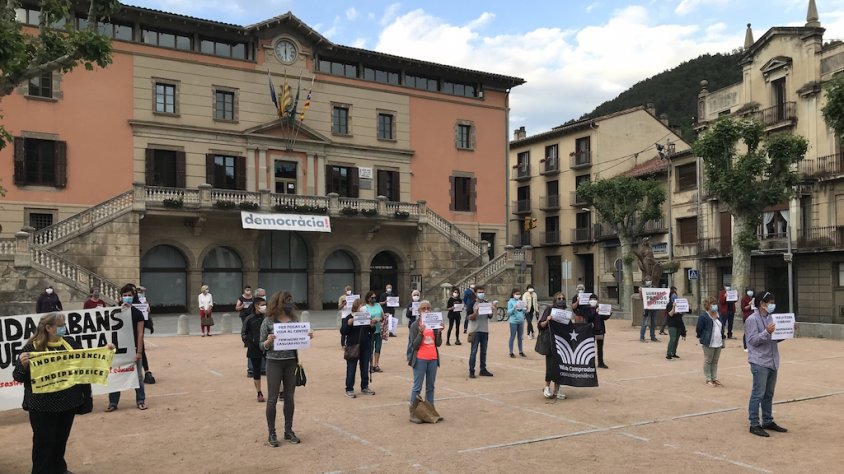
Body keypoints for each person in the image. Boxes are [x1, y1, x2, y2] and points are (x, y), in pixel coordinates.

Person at [13, 313, 93, 474]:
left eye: (64, 324)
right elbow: (18, 376)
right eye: (60, 325)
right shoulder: (32, 347)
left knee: (60, 441)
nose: (64, 328)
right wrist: (23, 365)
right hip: (42, 406)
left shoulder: (70, 344)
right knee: (43, 443)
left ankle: (59, 469)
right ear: (48, 328)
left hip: (68, 403)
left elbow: (85, 366)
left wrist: (107, 350)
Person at [260, 291, 312, 447]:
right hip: (274, 362)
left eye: (291, 300)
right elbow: (260, 345)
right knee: (272, 398)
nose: (289, 303)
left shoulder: (294, 319)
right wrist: (268, 341)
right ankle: (272, 432)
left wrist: (306, 336)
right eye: (286, 300)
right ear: (279, 302)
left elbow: (299, 337)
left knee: (289, 397)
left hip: (290, 362)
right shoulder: (268, 321)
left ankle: (288, 430)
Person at [745, 290, 788, 437]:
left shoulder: (771, 318)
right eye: (770, 302)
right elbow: (752, 341)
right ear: (762, 304)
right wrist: (766, 332)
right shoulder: (752, 319)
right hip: (759, 361)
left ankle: (768, 420)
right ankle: (754, 423)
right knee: (758, 393)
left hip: (772, 360)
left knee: (769, 393)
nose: (772, 305)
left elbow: (774, 339)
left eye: (773, 302)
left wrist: (786, 332)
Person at [107, 284, 147, 411]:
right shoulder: (115, 312)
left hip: (134, 349)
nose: (127, 298)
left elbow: (140, 333)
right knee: (115, 374)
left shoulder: (138, 313)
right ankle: (113, 402)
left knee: (138, 376)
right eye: (125, 296)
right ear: (121, 297)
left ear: (133, 296)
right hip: (118, 350)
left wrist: (139, 352)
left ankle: (140, 400)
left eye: (129, 295)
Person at [408, 299, 443, 423]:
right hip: (420, 358)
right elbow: (414, 345)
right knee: (417, 387)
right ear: (419, 311)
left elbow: (438, 344)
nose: (426, 310)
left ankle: (430, 411)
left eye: (428, 308)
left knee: (430, 387)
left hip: (432, 357)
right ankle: (412, 413)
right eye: (424, 309)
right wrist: (421, 333)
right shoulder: (414, 325)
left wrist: (438, 333)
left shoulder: (434, 324)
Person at [340, 298, 377, 398]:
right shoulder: (349, 317)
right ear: (356, 307)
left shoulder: (366, 317)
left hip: (365, 346)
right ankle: (349, 388)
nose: (363, 308)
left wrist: (372, 325)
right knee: (351, 367)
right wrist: (349, 324)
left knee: (365, 367)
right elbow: (343, 331)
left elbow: (372, 330)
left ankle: (364, 386)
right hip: (353, 346)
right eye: (361, 306)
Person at [538, 292, 568, 399]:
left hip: (561, 344)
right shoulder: (549, 309)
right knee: (550, 365)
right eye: (559, 298)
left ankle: (557, 389)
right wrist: (548, 319)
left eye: (563, 298)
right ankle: (547, 387)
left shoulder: (565, 312)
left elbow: (569, 328)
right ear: (555, 300)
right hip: (550, 342)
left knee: (559, 366)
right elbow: (541, 325)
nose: (561, 300)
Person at [696, 295, 725, 387]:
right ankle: (708, 378)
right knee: (708, 360)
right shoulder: (703, 316)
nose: (715, 306)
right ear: (707, 305)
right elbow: (699, 329)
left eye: (716, 304)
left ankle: (714, 378)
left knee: (715, 361)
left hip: (718, 342)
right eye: (713, 304)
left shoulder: (719, 315)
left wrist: (723, 339)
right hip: (708, 342)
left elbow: (722, 328)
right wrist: (703, 337)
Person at [242, 296, 267, 402]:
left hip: (268, 347)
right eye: (262, 305)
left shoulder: (267, 318)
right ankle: (259, 392)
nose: (265, 307)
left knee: (272, 369)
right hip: (254, 348)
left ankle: (279, 391)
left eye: (265, 305)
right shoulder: (249, 319)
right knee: (256, 371)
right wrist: (250, 341)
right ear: (256, 306)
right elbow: (244, 334)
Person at [467, 285, 495, 378]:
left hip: (484, 330)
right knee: (473, 351)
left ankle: (483, 369)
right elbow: (469, 317)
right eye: (479, 292)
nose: (481, 294)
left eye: (482, 292)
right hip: (475, 330)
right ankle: (472, 370)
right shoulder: (472, 304)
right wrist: (476, 312)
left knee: (484, 351)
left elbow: (489, 316)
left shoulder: (486, 303)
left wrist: (492, 310)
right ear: (475, 293)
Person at [584, 293, 611, 369]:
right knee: (590, 347)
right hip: (591, 331)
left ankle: (600, 362)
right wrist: (595, 312)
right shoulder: (587, 309)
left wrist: (609, 313)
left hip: (600, 330)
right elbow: (588, 318)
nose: (593, 301)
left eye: (595, 299)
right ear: (589, 301)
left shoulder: (600, 307)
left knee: (600, 347)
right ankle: (589, 363)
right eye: (592, 299)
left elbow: (605, 318)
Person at [135, 286, 156, 385]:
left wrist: (147, 309)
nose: (140, 293)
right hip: (128, 331)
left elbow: (146, 314)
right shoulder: (123, 304)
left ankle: (146, 371)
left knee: (141, 350)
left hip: (139, 328)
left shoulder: (143, 302)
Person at [365, 291, 386, 372]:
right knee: (370, 348)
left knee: (378, 348)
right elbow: (364, 319)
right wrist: (372, 321)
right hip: (370, 330)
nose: (374, 299)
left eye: (375, 298)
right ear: (368, 298)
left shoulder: (378, 305)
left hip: (378, 330)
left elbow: (383, 316)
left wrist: (380, 319)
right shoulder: (365, 307)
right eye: (372, 298)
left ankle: (376, 364)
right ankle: (370, 365)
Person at [506, 288, 526, 358]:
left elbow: (524, 311)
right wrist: (514, 308)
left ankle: (521, 351)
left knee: (520, 337)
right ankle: (511, 352)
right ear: (513, 294)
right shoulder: (510, 301)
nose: (518, 295)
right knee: (512, 336)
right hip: (513, 321)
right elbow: (508, 312)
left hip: (521, 321)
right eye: (516, 294)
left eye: (519, 294)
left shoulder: (521, 301)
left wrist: (526, 309)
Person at [405, 289, 422, 361]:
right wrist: (410, 310)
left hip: (420, 324)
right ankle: (409, 355)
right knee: (411, 340)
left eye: (417, 295)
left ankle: (419, 354)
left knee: (420, 339)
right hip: (412, 324)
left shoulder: (421, 303)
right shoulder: (410, 304)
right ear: (412, 296)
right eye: (414, 295)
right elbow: (407, 315)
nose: (416, 296)